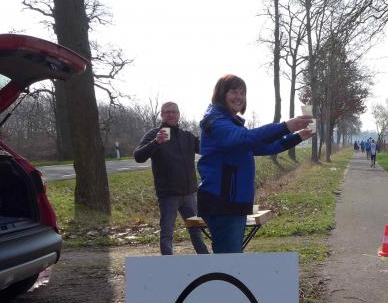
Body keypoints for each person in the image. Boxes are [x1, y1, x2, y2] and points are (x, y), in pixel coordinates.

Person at [197, 74, 315, 253]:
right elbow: (247, 138)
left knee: (231, 259)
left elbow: (265, 147)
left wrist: (297, 136)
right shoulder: (215, 122)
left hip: (233, 202)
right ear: (221, 93)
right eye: (233, 92)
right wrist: (286, 126)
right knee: (229, 260)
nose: (239, 97)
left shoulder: (230, 123)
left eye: (242, 93)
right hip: (223, 203)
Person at [134, 101, 209, 256]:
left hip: (189, 194)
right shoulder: (155, 135)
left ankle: (205, 260)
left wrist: (211, 131)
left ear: (179, 115)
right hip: (168, 195)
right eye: (167, 112)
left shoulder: (187, 136)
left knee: (196, 230)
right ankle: (167, 265)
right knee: (167, 233)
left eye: (174, 111)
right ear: (162, 115)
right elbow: (138, 157)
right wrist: (156, 142)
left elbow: (206, 149)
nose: (171, 114)